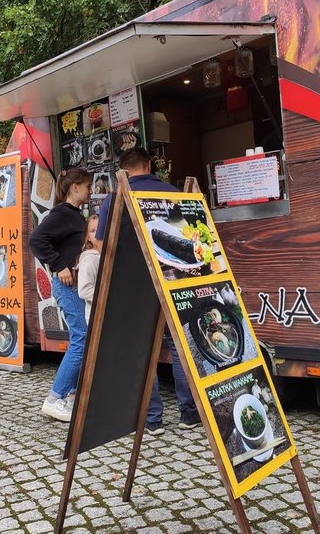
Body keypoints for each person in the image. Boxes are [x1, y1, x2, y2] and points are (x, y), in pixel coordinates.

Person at [96, 147, 200, 435]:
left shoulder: (114, 198)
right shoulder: (175, 193)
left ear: (124, 170)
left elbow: (104, 244)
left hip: (133, 285)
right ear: (150, 165)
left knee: (143, 350)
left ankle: (152, 419)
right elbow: (192, 239)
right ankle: (189, 413)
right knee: (180, 346)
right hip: (174, 279)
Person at [29, 167, 92, 422]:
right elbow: (36, 239)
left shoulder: (74, 214)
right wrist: (59, 265)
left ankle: (71, 396)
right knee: (81, 339)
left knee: (83, 338)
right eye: (87, 186)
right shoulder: (63, 214)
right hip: (67, 286)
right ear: (75, 187)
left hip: (74, 285)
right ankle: (54, 398)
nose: (90, 190)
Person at [76, 215, 102, 324]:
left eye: (100, 229)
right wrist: (108, 296)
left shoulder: (106, 256)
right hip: (98, 318)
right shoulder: (89, 260)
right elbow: (84, 291)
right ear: (88, 237)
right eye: (93, 231)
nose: (97, 233)